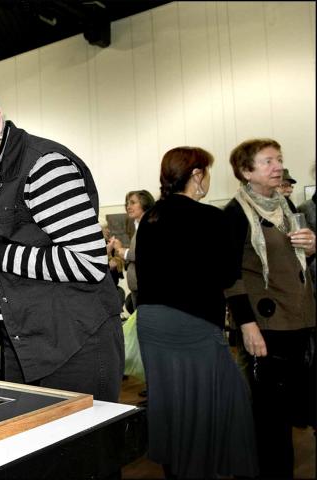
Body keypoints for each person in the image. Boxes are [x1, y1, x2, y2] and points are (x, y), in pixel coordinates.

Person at [0, 71, 124, 400]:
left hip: (75, 342)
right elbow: (13, 246)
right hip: (21, 343)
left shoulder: (44, 166)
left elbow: (89, 262)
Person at [135, 147, 258, 479]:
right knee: (210, 402)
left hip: (151, 321)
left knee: (171, 401)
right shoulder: (211, 217)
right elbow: (228, 275)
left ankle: (178, 468)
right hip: (192, 321)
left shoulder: (150, 218)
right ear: (197, 174)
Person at [224, 138, 316, 478]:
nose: (278, 167)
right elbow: (229, 276)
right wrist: (247, 326)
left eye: (279, 159)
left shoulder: (285, 206)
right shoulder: (235, 214)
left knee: (288, 414)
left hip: (298, 321)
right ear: (246, 171)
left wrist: (312, 246)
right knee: (270, 419)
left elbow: (292, 260)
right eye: (268, 161)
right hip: (267, 328)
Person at [109, 190, 155, 310]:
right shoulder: (137, 225)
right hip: (137, 289)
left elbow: (144, 253)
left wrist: (121, 250)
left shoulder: (150, 225)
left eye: (133, 203)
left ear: (145, 203)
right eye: (127, 203)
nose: (128, 207)